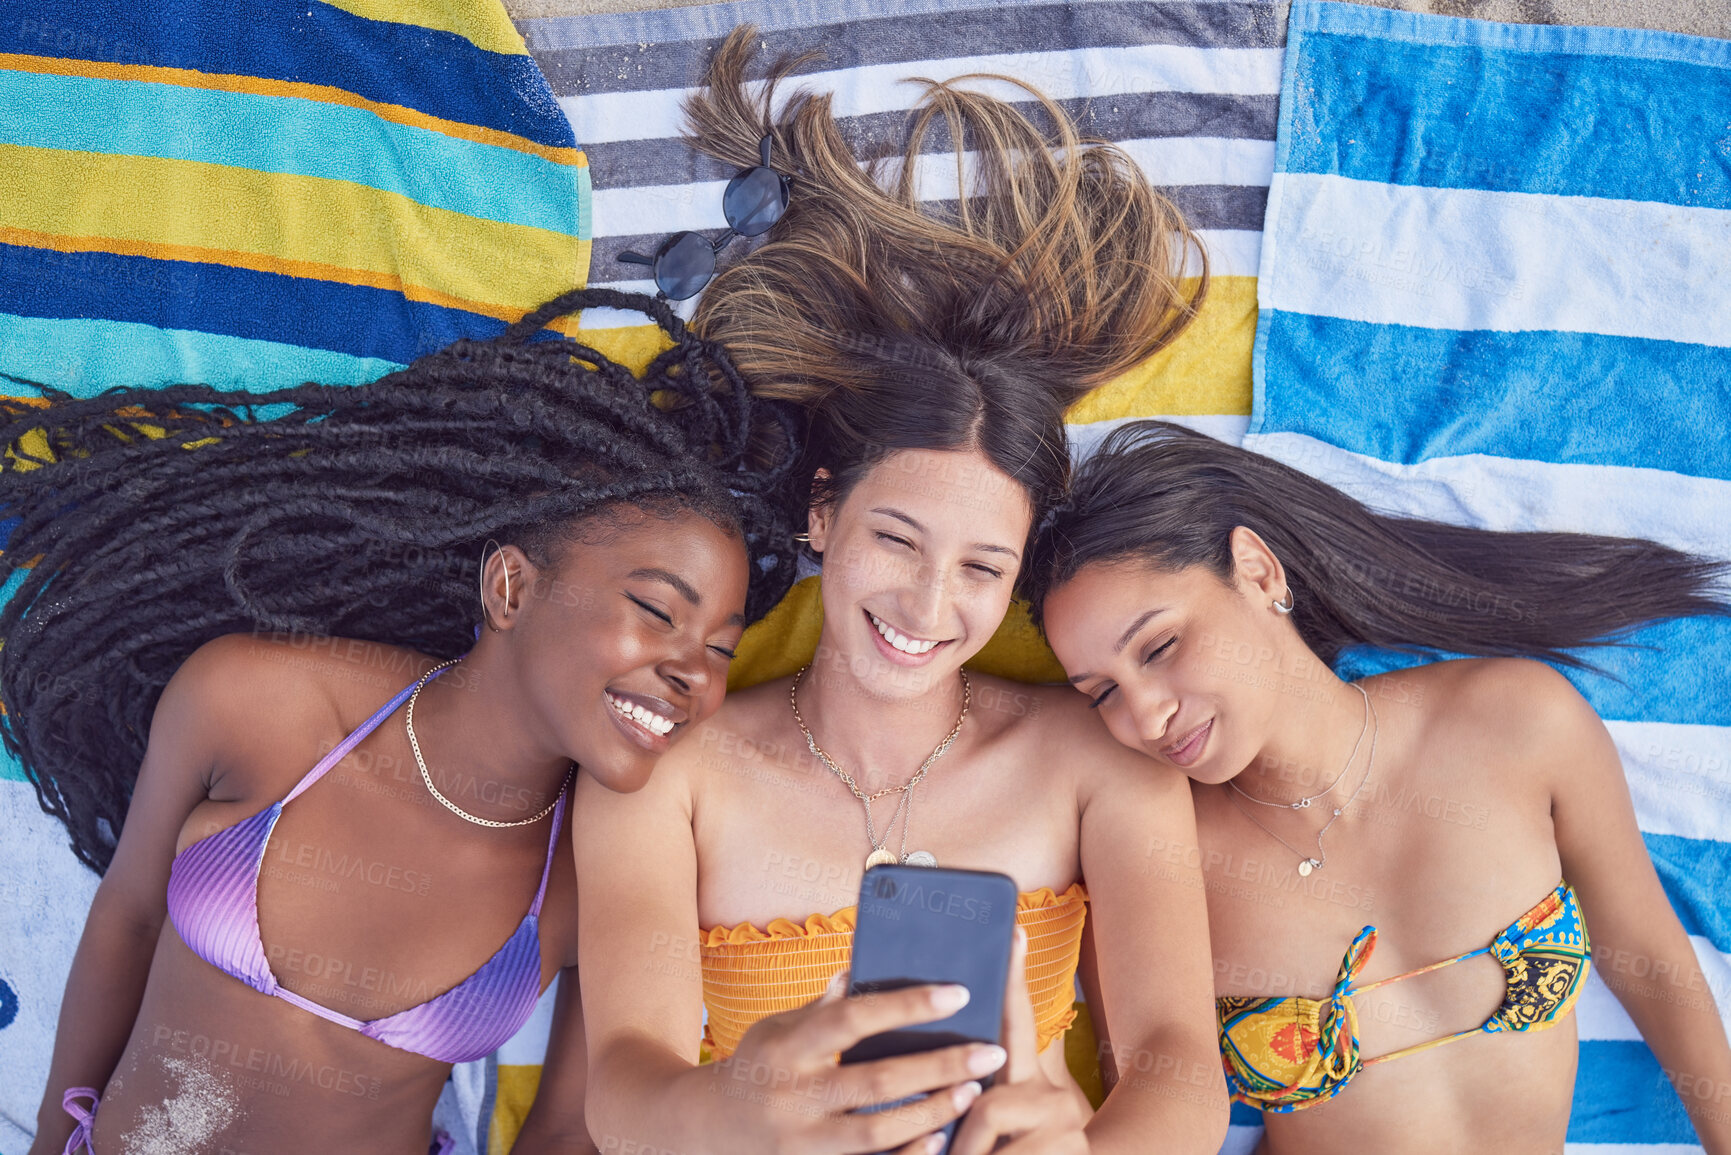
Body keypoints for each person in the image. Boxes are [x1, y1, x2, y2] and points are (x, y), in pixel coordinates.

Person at [545, 29, 1229, 1155]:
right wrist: (729, 1106)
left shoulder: (1099, 763)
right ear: (823, 518)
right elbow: (624, 1090)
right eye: (897, 540)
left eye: (980, 568)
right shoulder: (664, 769)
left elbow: (1177, 1072)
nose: (926, 606)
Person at [9, 291, 797, 1155]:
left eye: (722, 649)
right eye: (657, 608)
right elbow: (127, 918)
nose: (693, 669)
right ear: (510, 588)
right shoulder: (255, 700)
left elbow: (571, 1128)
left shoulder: (600, 866)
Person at [1027, 419, 1731, 1153]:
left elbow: (1649, 957)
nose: (1145, 714)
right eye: (1100, 692)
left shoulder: (1517, 721)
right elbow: (1150, 1102)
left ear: (1259, 571)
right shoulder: (1158, 847)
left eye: (1160, 646)